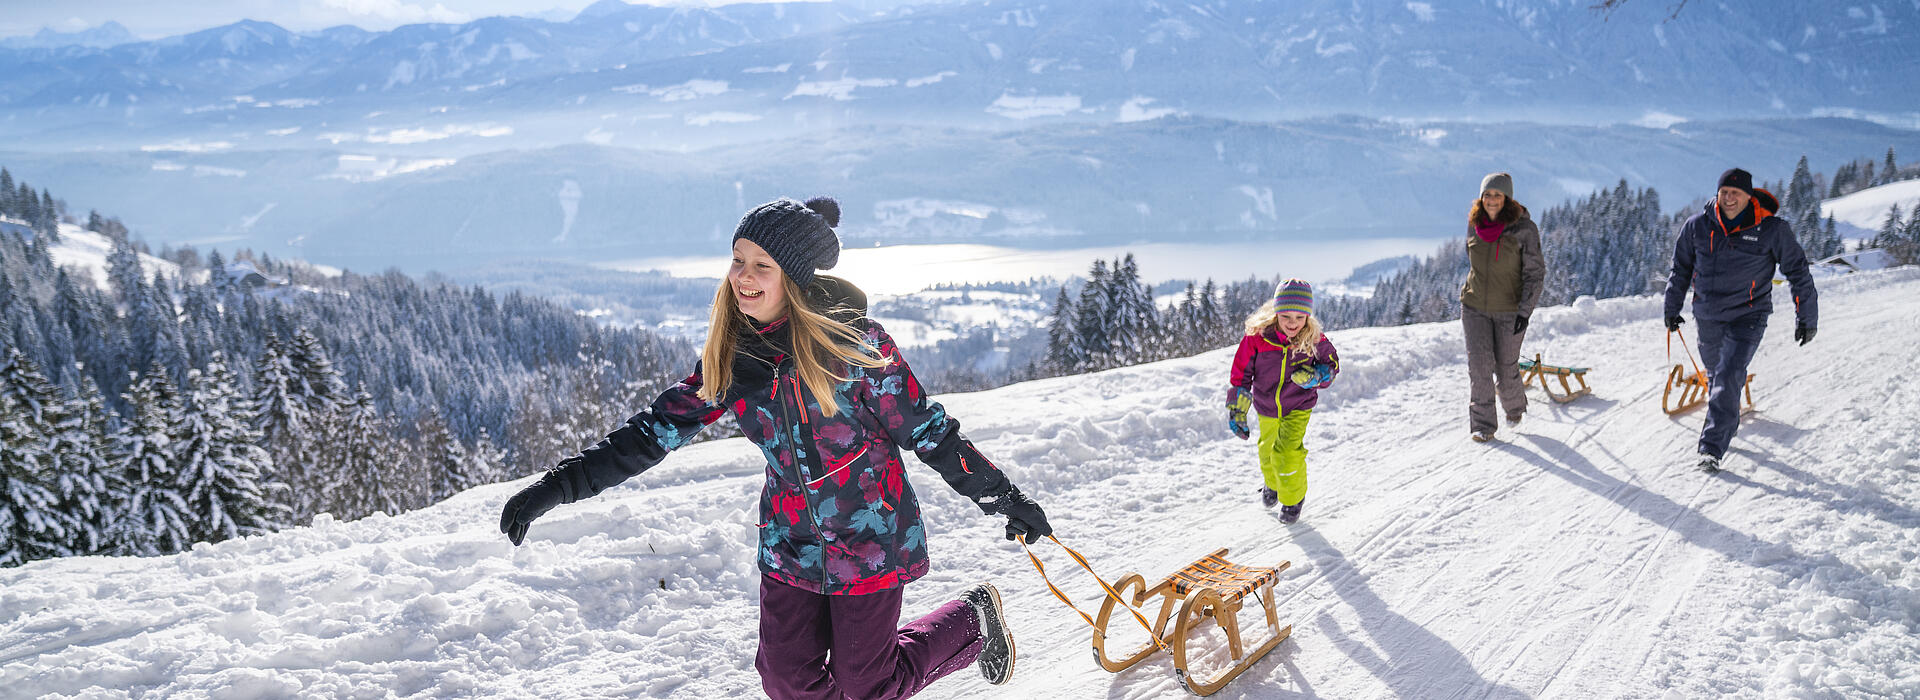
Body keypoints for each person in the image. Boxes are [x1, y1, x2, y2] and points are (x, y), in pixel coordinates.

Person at [497, 196, 1053, 699]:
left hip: (872, 538)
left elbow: (930, 432)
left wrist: (1002, 497)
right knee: (787, 679)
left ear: (793, 278)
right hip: (792, 544)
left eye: (762, 265)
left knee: (866, 685)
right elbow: (651, 434)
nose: (744, 276)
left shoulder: (855, 348)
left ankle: (972, 621)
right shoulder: (733, 359)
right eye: (738, 259)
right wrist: (555, 487)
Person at [1664, 168, 1818, 472]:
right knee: (1715, 374)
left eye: (1736, 193)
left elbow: (1798, 272)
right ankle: (1726, 414)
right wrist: (1672, 306)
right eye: (1724, 192)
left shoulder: (1771, 230)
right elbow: (1680, 269)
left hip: (1749, 314)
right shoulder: (1697, 226)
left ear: (1749, 196)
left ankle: (1711, 447)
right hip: (1708, 314)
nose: (1729, 198)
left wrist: (1806, 316)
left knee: (1730, 373)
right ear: (1717, 194)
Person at [1226, 279, 1339, 524]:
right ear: (1276, 312)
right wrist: (1237, 408)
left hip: (1298, 405)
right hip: (1266, 406)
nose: (1292, 323)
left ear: (1308, 317)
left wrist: (1316, 376)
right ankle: (1272, 485)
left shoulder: (1314, 339)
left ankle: (1292, 498)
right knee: (1267, 451)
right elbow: (1241, 373)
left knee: (1286, 452)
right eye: (1286, 316)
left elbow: (1332, 366)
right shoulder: (1258, 338)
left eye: (1300, 317)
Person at [1460, 172, 1545, 443]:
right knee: (1479, 366)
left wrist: (1525, 311)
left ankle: (1515, 406)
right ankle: (1483, 425)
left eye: (1497, 194)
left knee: (1506, 366)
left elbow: (1535, 273)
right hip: (1474, 307)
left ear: (1507, 198)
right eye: (1487, 194)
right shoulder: (1474, 225)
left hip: (1510, 310)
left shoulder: (1524, 230)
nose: (1491, 199)